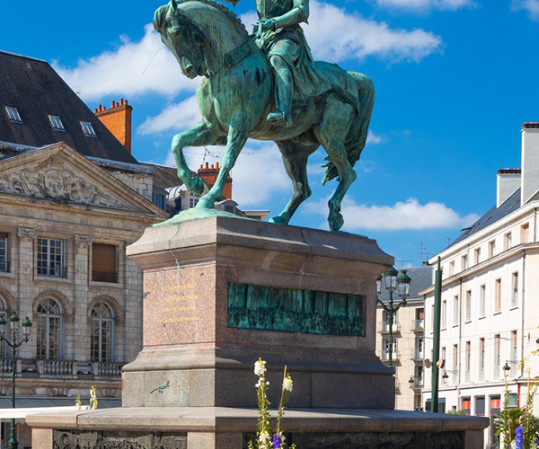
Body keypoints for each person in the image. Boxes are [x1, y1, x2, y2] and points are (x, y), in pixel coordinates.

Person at [253, 0, 330, 127]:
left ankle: (284, 112)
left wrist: (274, 22)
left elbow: (302, 11)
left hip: (287, 35)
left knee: (277, 58)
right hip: (261, 36)